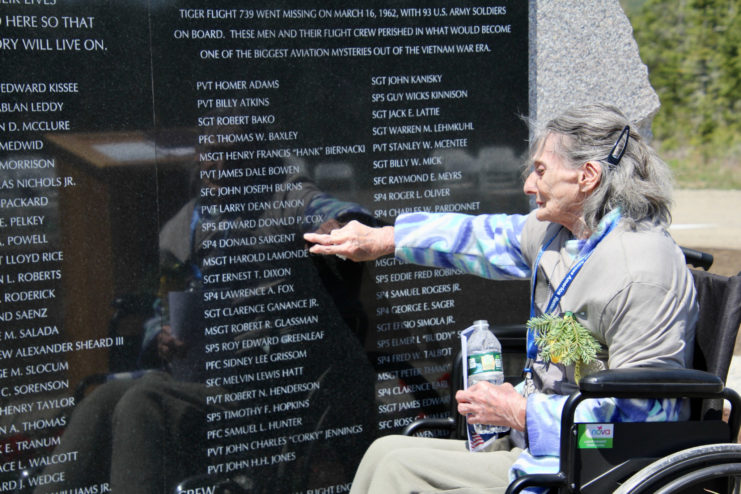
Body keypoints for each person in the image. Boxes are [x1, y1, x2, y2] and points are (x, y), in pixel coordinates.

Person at [303, 103, 698, 493]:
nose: (528, 185)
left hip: (584, 467)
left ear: (587, 176)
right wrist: (385, 239)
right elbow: (483, 238)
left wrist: (522, 413)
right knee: (384, 452)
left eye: (540, 171)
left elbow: (642, 420)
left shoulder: (640, 274)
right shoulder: (566, 234)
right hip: (539, 443)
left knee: (398, 473)